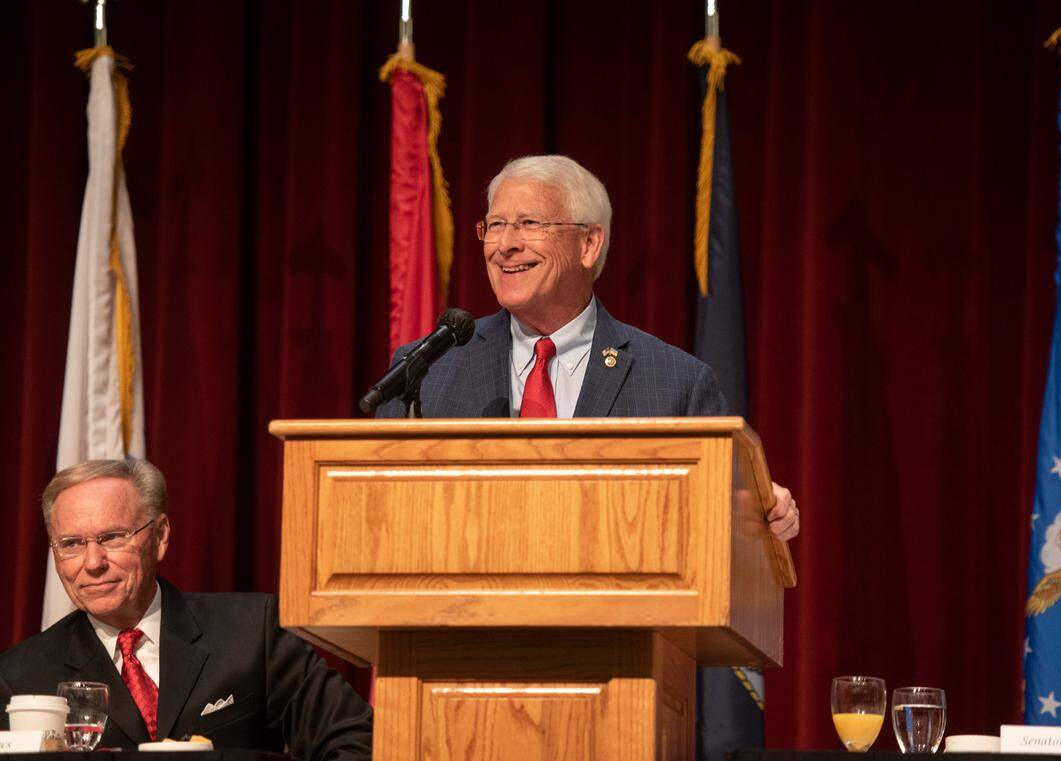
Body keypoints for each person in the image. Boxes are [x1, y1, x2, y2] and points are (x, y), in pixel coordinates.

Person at [377, 154, 799, 539]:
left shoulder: (677, 385)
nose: (504, 245)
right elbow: (380, 514)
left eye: (529, 224)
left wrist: (760, 511)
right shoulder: (430, 369)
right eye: (496, 225)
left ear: (589, 244)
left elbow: (719, 521)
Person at [0, 459, 372, 759]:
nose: (92, 562)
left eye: (112, 537)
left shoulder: (252, 632)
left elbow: (356, 742)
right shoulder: (21, 675)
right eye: (72, 544)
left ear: (160, 536)